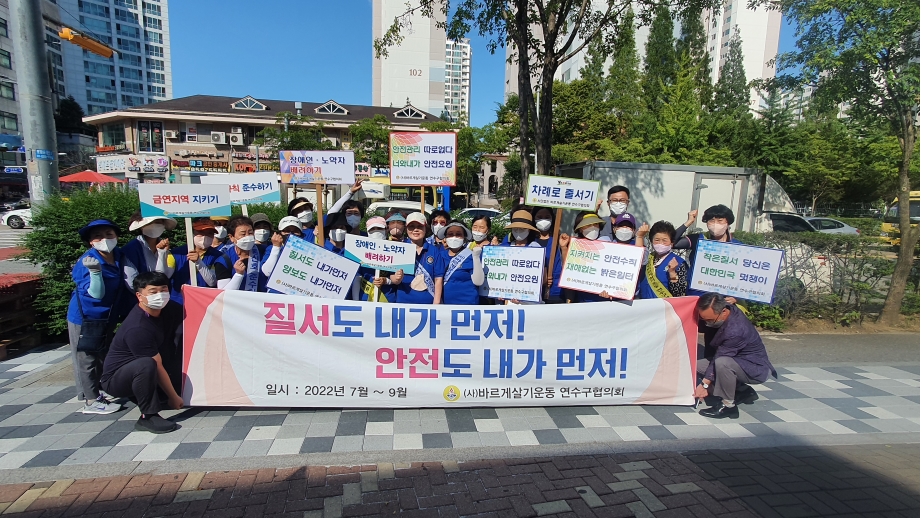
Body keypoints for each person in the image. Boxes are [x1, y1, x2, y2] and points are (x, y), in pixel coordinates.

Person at [100, 272, 183, 434]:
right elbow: (156, 365)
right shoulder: (137, 327)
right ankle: (148, 415)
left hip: (146, 370)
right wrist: (174, 397)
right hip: (117, 380)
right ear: (139, 296)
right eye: (153, 292)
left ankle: (155, 394)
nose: (160, 295)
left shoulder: (169, 309)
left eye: (163, 289)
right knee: (147, 363)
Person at [67, 219, 131, 415]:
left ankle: (100, 392)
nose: (105, 239)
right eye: (98, 236)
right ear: (90, 242)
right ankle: (91, 400)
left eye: (109, 234)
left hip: (108, 315)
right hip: (86, 317)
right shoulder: (87, 261)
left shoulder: (119, 256)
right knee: (87, 358)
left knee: (102, 355)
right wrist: (95, 273)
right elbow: (96, 294)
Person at [695, 292, 777, 419]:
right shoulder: (727, 307)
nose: (707, 323)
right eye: (704, 319)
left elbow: (719, 358)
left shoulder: (735, 330)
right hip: (736, 360)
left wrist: (704, 385)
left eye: (710, 320)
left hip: (755, 367)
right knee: (697, 366)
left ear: (723, 312)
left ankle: (728, 406)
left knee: (722, 364)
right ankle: (742, 390)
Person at [673, 205, 738, 297]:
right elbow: (671, 242)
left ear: (728, 222)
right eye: (711, 220)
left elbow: (742, 276)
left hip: (722, 299)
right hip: (696, 295)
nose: (715, 224)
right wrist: (688, 222)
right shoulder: (698, 239)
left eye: (720, 221)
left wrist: (736, 297)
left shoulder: (737, 247)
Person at [169, 218, 233, 304]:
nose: (205, 236)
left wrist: (199, 262)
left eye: (210, 233)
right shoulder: (175, 254)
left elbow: (212, 282)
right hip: (178, 303)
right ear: (192, 233)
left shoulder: (219, 256)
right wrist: (162, 254)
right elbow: (165, 275)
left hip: (204, 303)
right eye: (201, 232)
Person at [387, 212, 444, 304]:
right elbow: (392, 277)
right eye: (411, 227)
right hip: (403, 302)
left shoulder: (434, 251)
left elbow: (438, 279)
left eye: (420, 226)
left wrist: (436, 303)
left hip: (428, 302)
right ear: (406, 229)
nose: (415, 230)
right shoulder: (399, 248)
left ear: (426, 228)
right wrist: (397, 278)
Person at [121, 211, 176, 285]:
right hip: (140, 295)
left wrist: (162, 253)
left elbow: (165, 276)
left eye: (158, 222)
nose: (155, 225)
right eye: (150, 223)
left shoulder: (165, 248)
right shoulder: (131, 249)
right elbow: (131, 282)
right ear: (141, 226)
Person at [637, 220, 688, 299]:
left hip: (664, 308)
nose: (660, 243)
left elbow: (679, 294)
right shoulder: (647, 258)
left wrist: (672, 273)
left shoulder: (679, 263)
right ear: (651, 241)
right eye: (657, 240)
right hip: (643, 306)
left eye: (664, 240)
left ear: (671, 243)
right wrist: (640, 236)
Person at [437, 220, 485, 304]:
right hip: (444, 307)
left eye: (458, 234)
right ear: (445, 237)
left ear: (464, 237)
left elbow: (479, 282)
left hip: (467, 305)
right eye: (450, 234)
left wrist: (476, 257)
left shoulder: (472, 255)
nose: (454, 237)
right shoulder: (439, 255)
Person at [216, 216, 264, 291]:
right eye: (243, 234)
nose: (248, 237)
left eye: (250, 233)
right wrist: (238, 275)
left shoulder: (262, 251)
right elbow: (223, 293)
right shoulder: (223, 261)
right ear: (231, 237)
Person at [363, 217, 396, 302]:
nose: (376, 231)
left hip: (387, 297)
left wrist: (386, 281)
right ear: (367, 231)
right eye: (372, 229)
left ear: (385, 230)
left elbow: (397, 277)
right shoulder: (360, 249)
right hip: (365, 297)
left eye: (379, 228)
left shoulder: (394, 250)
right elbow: (356, 276)